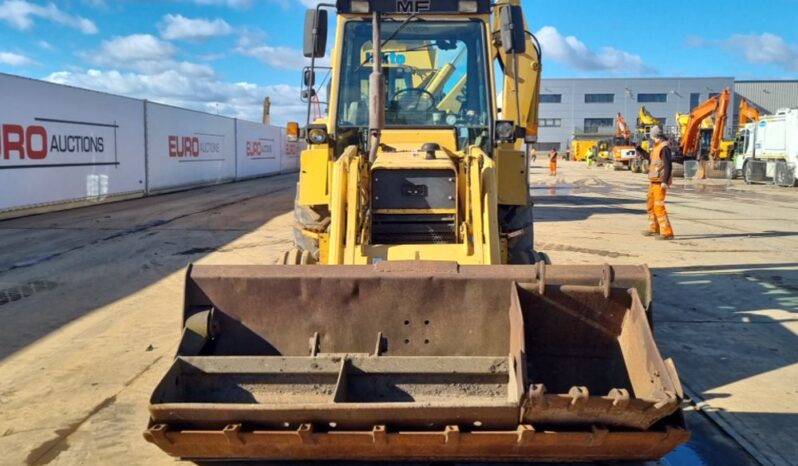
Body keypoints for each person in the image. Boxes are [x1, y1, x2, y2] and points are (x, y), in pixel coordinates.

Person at [637, 126, 674, 240]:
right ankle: (655, 229)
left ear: (655, 136)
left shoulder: (664, 148)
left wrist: (665, 181)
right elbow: (650, 158)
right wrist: (639, 149)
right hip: (653, 182)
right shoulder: (656, 147)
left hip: (660, 183)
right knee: (650, 206)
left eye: (652, 136)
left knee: (658, 207)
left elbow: (668, 165)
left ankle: (667, 232)